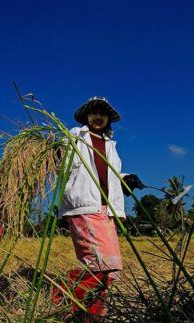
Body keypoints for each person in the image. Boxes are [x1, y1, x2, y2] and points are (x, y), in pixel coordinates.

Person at [53, 96, 144, 320]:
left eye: (102, 113)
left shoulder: (110, 146)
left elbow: (110, 175)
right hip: (84, 205)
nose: (98, 116)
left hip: (106, 209)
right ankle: (68, 301)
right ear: (86, 116)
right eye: (94, 112)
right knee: (100, 263)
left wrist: (126, 179)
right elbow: (61, 160)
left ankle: (91, 312)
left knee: (111, 268)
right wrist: (56, 149)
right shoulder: (74, 136)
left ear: (108, 120)